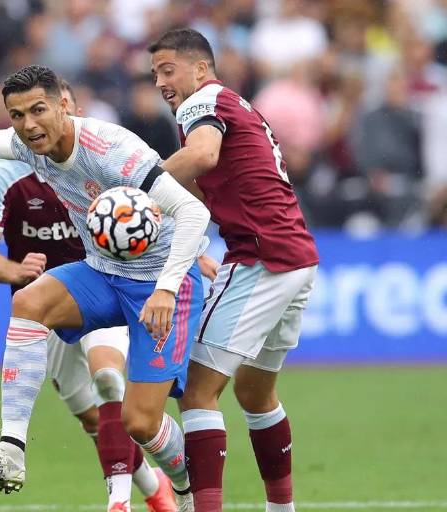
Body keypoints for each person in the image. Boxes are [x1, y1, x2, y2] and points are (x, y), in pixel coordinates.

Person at [0, 65, 210, 511]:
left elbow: (194, 212)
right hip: (103, 271)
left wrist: (167, 287)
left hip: (160, 284)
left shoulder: (112, 150)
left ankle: (184, 487)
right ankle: (11, 451)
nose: (28, 125)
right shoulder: (25, 146)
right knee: (28, 301)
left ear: (63, 105)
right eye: (17, 115)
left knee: (141, 423)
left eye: (38, 110)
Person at [0, 80, 175, 511]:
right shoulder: (5, 172)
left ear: (70, 111)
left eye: (46, 111)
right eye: (23, 115)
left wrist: (189, 256)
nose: (37, 124)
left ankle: (118, 502)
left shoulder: (101, 159)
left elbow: (156, 215)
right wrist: (15, 271)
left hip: (103, 286)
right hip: (50, 305)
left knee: (108, 379)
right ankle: (155, 488)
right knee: (94, 418)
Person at [149, 29, 320, 512]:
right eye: (155, 74)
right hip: (296, 256)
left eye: (168, 70)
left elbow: (203, 156)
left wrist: (137, 187)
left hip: (262, 258)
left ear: (201, 68)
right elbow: (203, 187)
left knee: (196, 390)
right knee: (254, 392)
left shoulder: (201, 102)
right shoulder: (234, 105)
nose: (161, 83)